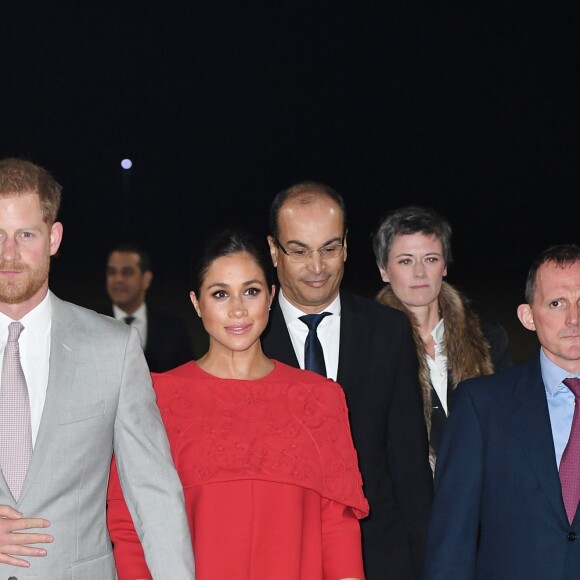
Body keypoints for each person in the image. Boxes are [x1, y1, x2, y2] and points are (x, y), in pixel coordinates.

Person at [107, 227, 369, 580]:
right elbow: (129, 525)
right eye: (220, 294)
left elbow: (338, 530)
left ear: (271, 296)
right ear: (196, 303)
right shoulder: (154, 398)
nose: (238, 310)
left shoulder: (320, 399)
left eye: (251, 291)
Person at [0, 158, 194, 578]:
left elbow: (153, 492)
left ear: (53, 238)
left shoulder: (113, 348)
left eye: (25, 234)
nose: (8, 253)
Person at [261, 182, 433, 580]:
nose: (317, 267)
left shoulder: (388, 331)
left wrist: (426, 563)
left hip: (379, 559)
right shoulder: (250, 336)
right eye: (300, 251)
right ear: (274, 250)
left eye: (329, 248)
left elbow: (409, 466)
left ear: (346, 245)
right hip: (279, 558)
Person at [425, 244, 580, 579]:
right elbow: (453, 538)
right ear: (528, 316)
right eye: (557, 303)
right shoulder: (483, 406)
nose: (574, 318)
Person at [372, 205, 512, 469]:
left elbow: (510, 429)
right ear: (383, 270)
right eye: (405, 261)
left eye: (431, 259)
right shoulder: (368, 349)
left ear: (444, 265)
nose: (419, 273)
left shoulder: (490, 341)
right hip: (411, 503)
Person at [105, 243, 193, 372]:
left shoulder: (174, 330)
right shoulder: (91, 326)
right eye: (112, 272)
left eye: (127, 272)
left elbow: (186, 379)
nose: (118, 279)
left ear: (146, 279)